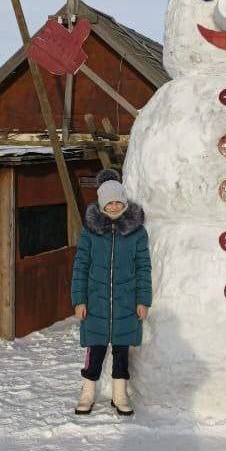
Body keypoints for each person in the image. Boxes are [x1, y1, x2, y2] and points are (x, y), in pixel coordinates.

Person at [71, 169, 152, 416]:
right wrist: (79, 300)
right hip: (95, 302)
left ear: (125, 203)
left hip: (126, 303)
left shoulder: (136, 233)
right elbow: (80, 267)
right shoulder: (90, 232)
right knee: (94, 350)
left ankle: (119, 395)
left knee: (121, 351)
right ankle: (87, 393)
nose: (115, 206)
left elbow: (143, 268)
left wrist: (143, 300)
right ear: (102, 204)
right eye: (110, 202)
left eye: (119, 202)